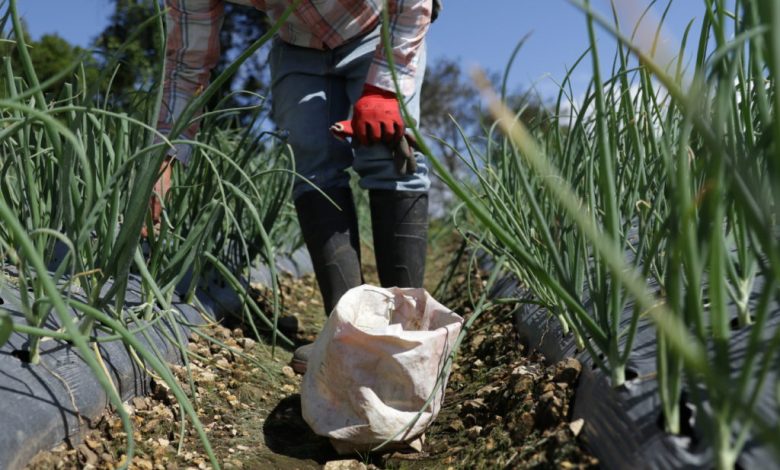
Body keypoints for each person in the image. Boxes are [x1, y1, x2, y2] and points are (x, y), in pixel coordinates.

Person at [151, 0, 439, 373]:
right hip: (297, 47)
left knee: (390, 152)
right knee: (312, 164)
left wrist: (385, 89)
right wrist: (166, 154)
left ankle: (410, 334)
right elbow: (188, 62)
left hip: (376, 26)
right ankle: (350, 334)